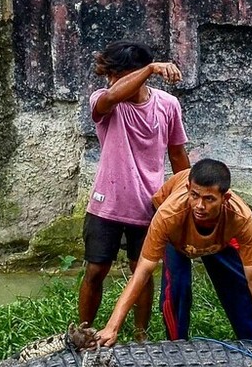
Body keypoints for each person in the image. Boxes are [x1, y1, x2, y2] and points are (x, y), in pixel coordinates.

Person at [95, 159, 252, 353]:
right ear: (187, 191)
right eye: (194, 195)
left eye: (209, 199)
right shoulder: (168, 215)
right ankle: (176, 346)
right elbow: (142, 272)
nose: (200, 205)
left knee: (239, 286)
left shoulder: (240, 217)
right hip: (177, 236)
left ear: (224, 199)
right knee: (179, 286)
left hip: (219, 239)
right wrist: (112, 327)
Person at [78, 40, 190, 339]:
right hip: (107, 204)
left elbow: (177, 154)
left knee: (142, 271)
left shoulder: (168, 105)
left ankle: (141, 333)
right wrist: (152, 68)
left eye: (117, 74)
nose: (111, 81)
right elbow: (113, 94)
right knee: (95, 270)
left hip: (149, 204)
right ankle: (83, 330)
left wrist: (187, 195)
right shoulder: (104, 101)